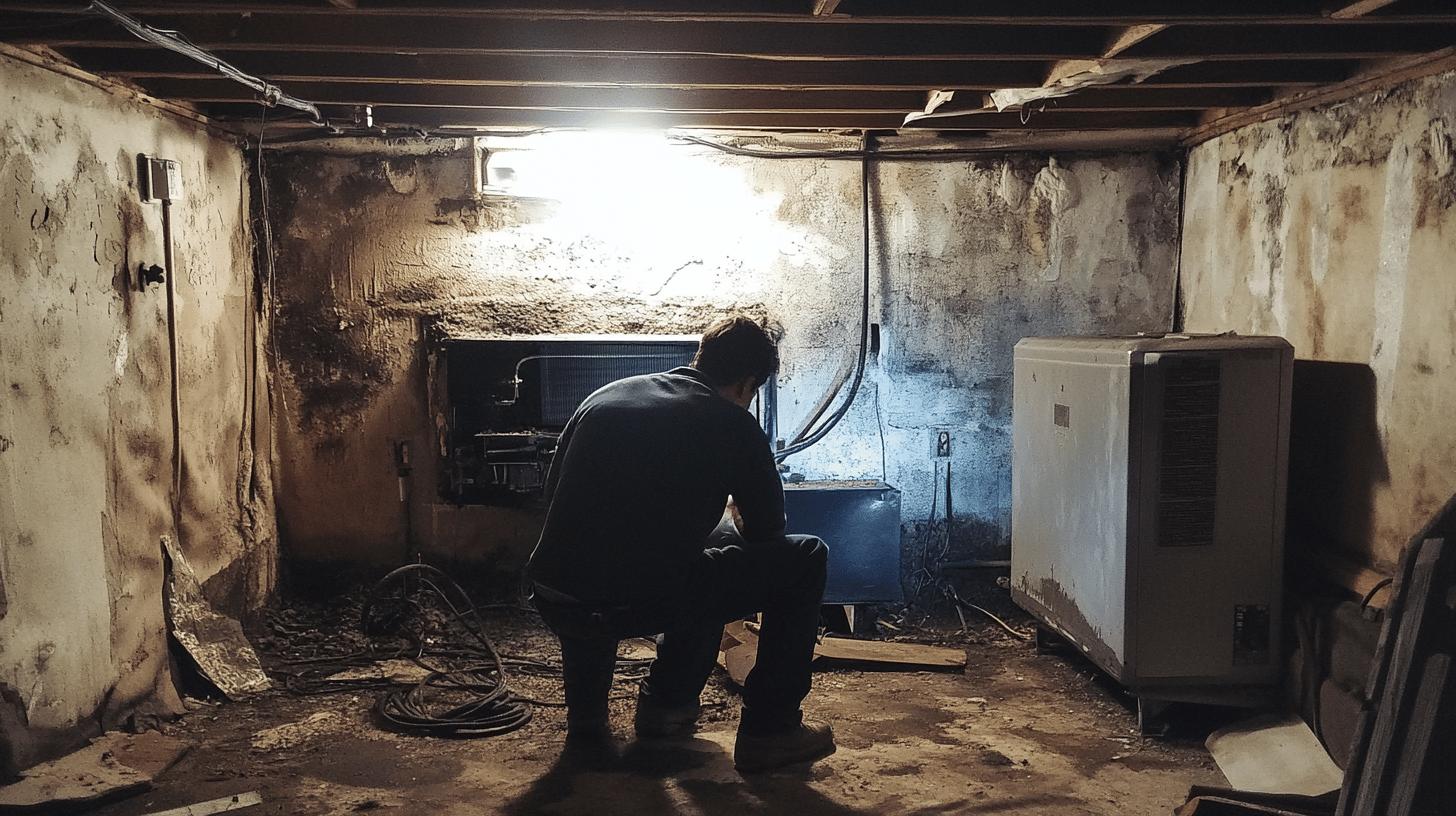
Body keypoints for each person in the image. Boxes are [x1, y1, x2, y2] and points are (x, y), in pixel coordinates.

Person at [526, 315, 835, 773]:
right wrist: (733, 508)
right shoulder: (733, 423)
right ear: (749, 383)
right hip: (641, 598)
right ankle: (770, 731)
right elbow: (768, 534)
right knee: (803, 557)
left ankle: (595, 722)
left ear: (701, 357)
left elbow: (558, 505)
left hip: (557, 593)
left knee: (632, 562)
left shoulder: (605, 396)